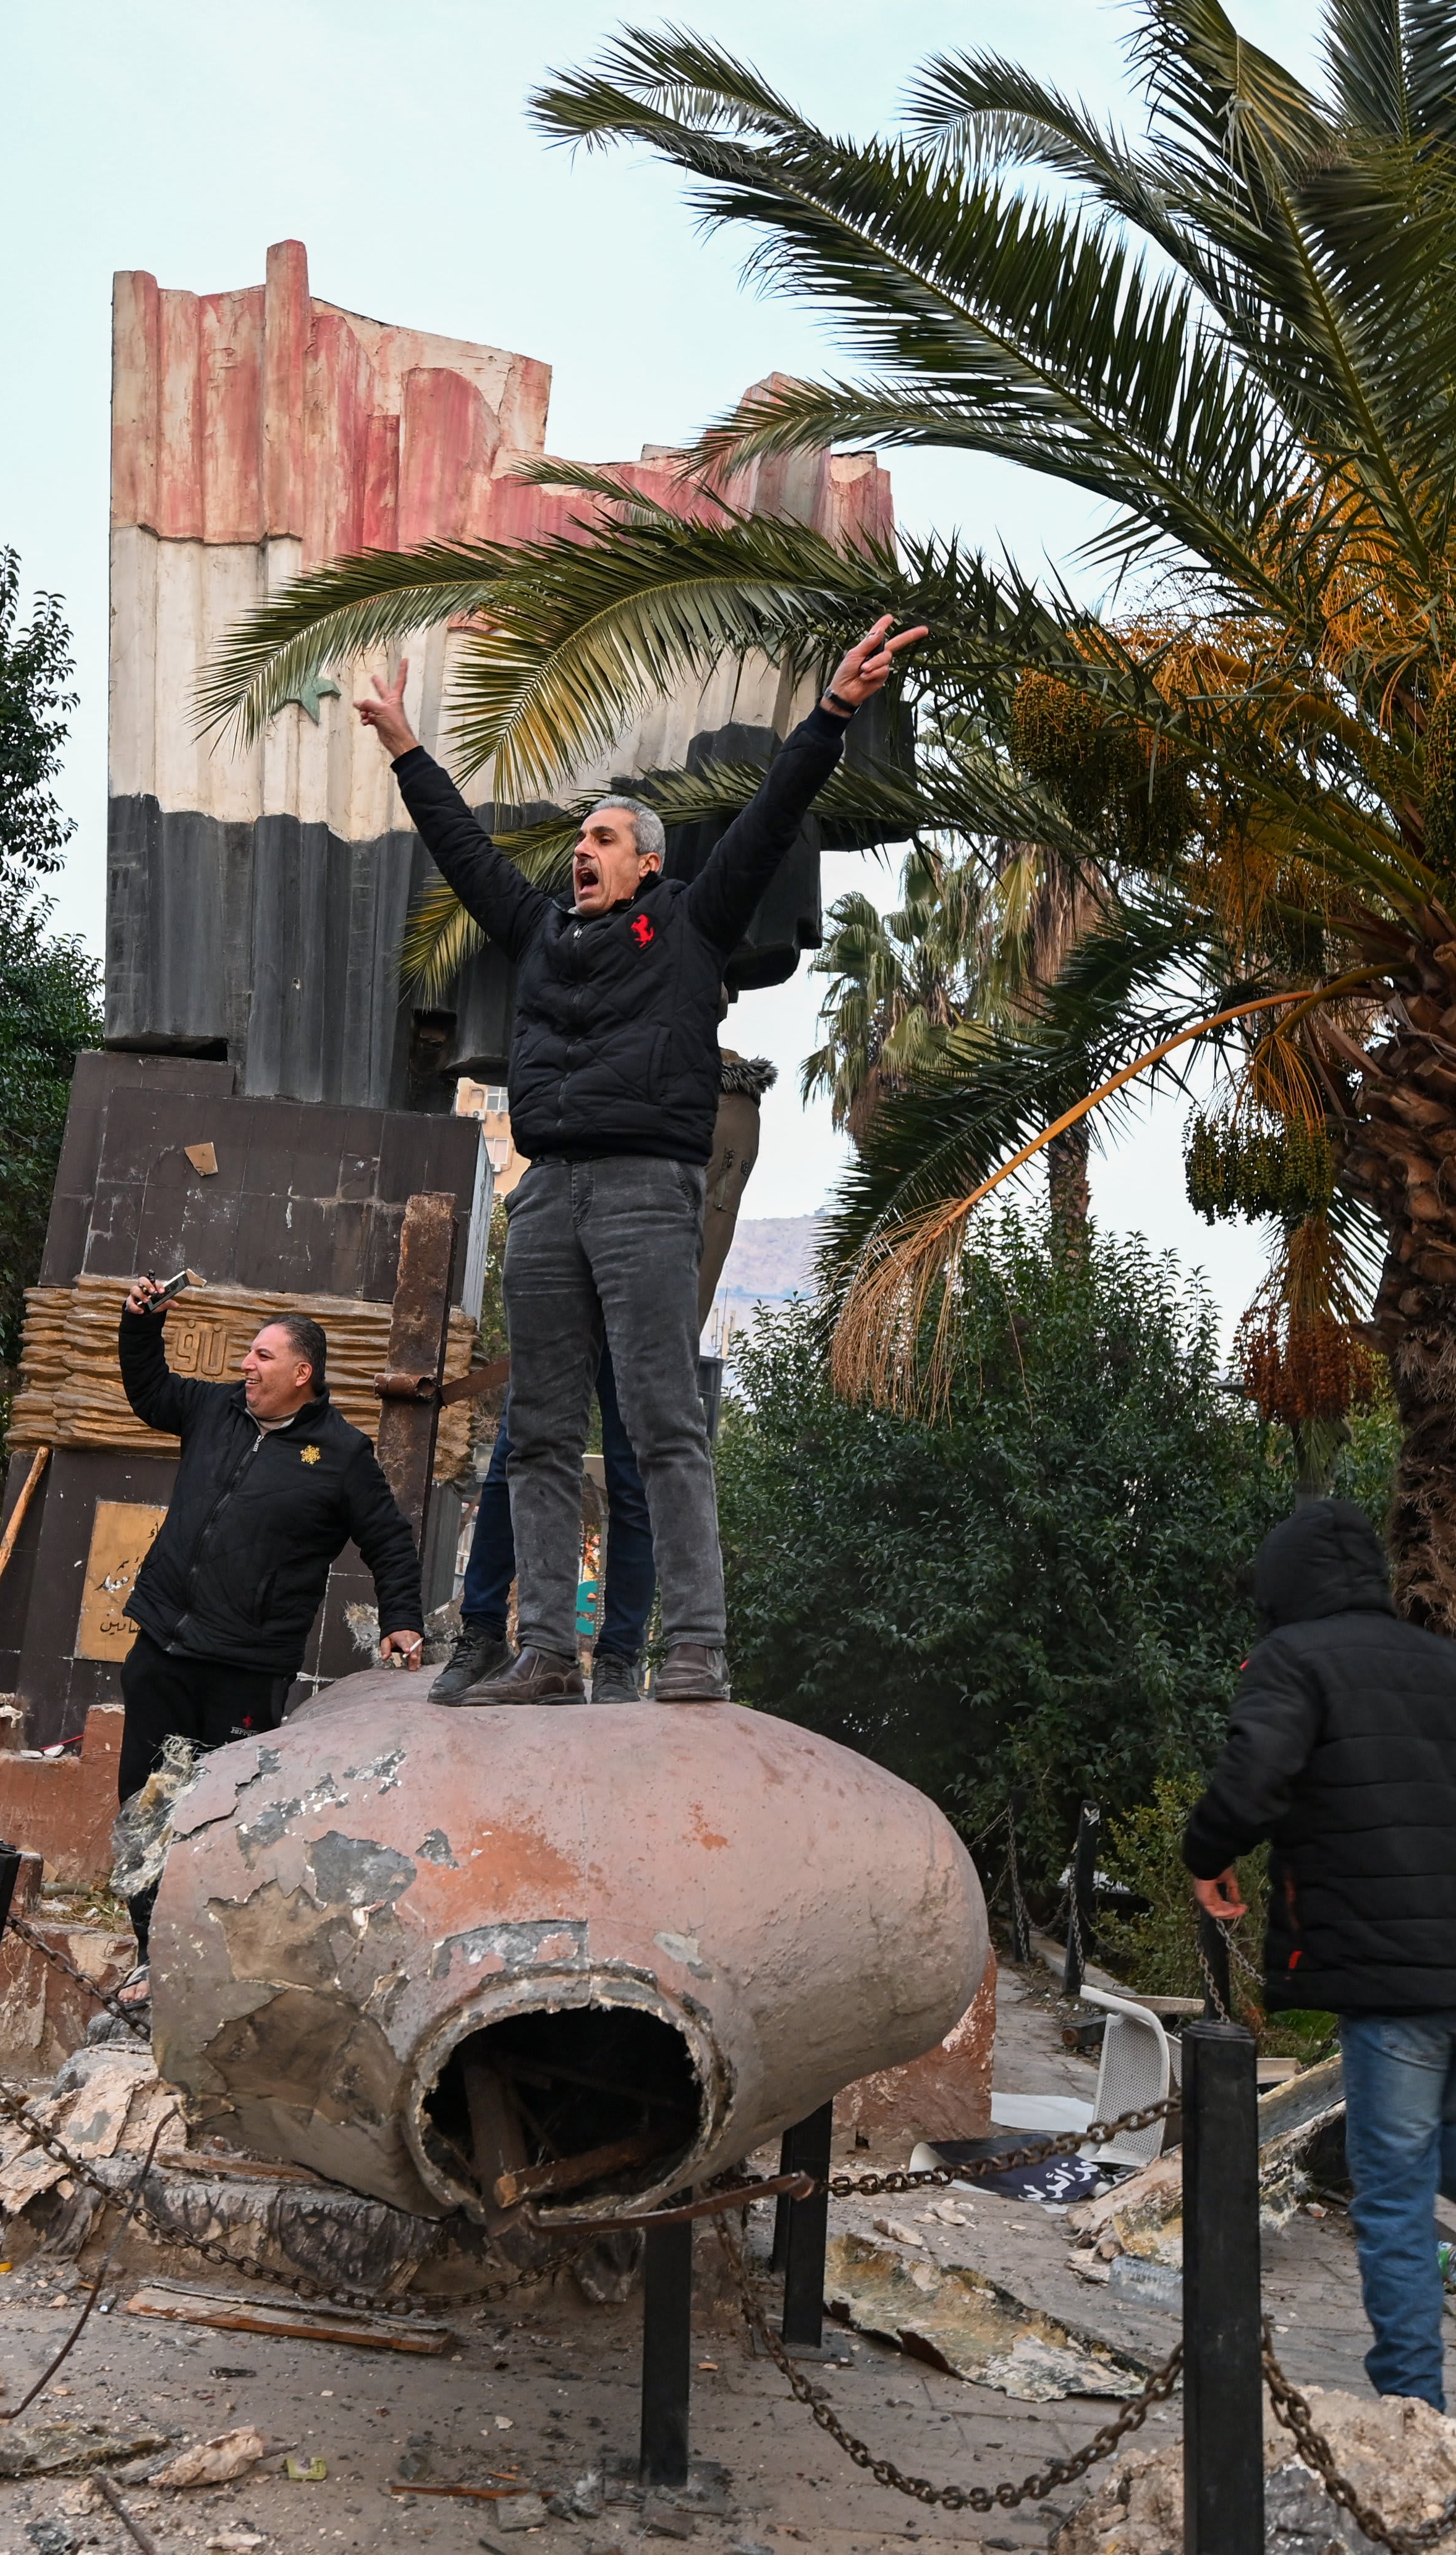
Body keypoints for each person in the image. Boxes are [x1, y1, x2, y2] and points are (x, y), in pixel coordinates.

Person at [358, 614, 926, 1705]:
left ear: (650, 862)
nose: (584, 847)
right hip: (549, 1195)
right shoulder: (538, 932)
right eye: (581, 837)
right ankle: (543, 1650)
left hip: (643, 1196)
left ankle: (697, 1646)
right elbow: (465, 850)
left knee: (662, 1423)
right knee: (535, 1434)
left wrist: (834, 713)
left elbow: (767, 821)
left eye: (607, 837)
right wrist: (403, 747)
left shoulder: (693, 923)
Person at [1180, 1498, 1456, 2407]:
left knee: (1388, 2194)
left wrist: (1206, 1856)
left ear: (1281, 1590)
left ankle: (1413, 2411)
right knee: (1426, 2138)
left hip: (1394, 1971)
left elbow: (1253, 1778)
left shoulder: (1292, 1660)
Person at [112, 1281, 425, 1945]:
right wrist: (139, 1324)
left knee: (223, 1817)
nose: (245, 1367)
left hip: (245, 1670)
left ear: (300, 1372)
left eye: (261, 1355)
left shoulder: (340, 1454)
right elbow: (149, 1390)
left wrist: (402, 1618)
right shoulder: (214, 1410)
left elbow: (390, 1542)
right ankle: (149, 1955)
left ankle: (206, 1955)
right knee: (146, 1811)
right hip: (162, 1651)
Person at [430, 1351, 651, 1705]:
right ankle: (484, 1632)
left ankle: (619, 1657)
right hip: (555, 1302)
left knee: (633, 1473)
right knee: (514, 1457)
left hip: (632, 1305)